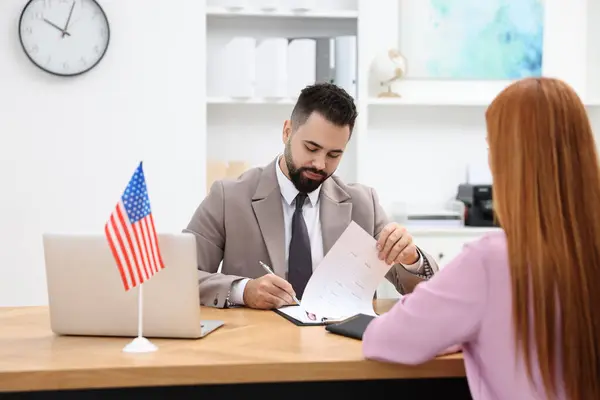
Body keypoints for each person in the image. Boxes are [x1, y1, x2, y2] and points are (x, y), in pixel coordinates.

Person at [362, 77, 600, 400]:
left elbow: (381, 339)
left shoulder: (491, 260)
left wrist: (457, 327)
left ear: (510, 162)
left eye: (492, 148)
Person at [184, 83, 439, 309]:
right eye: (311, 148)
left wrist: (411, 258)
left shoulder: (363, 204)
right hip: (257, 348)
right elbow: (180, 276)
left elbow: (429, 292)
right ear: (287, 132)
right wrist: (242, 290)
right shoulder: (229, 197)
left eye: (333, 154)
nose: (319, 164)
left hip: (340, 350)